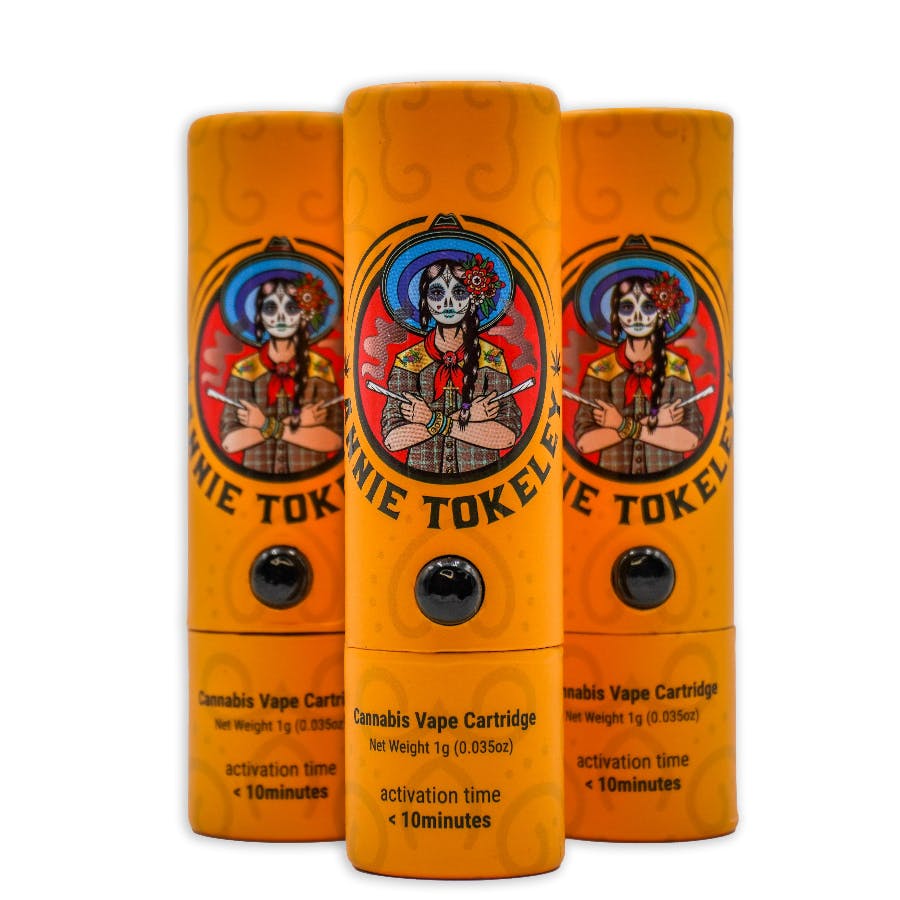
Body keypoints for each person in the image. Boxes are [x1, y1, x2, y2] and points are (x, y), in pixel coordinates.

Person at [381, 257, 522, 475]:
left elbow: (508, 436)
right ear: (425, 301)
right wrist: (466, 417)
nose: (448, 303)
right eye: (438, 293)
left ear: (473, 299)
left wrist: (430, 420)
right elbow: (392, 439)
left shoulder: (491, 359)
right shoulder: (409, 361)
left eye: (459, 293)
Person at [573, 275, 702, 476]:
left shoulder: (677, 368)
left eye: (648, 307)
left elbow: (692, 439)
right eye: (627, 307)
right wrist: (654, 423)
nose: (638, 316)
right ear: (615, 315)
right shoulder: (600, 371)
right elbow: (584, 443)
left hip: (667, 483)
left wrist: (621, 425)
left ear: (661, 313)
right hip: (610, 487)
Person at [220, 274, 341, 474]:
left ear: (304, 315)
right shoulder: (244, 371)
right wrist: (296, 424)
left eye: (291, 308)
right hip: (255, 483)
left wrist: (263, 425)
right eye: (271, 308)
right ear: (259, 316)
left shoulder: (320, 369)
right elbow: (229, 443)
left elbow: (336, 441)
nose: (281, 317)